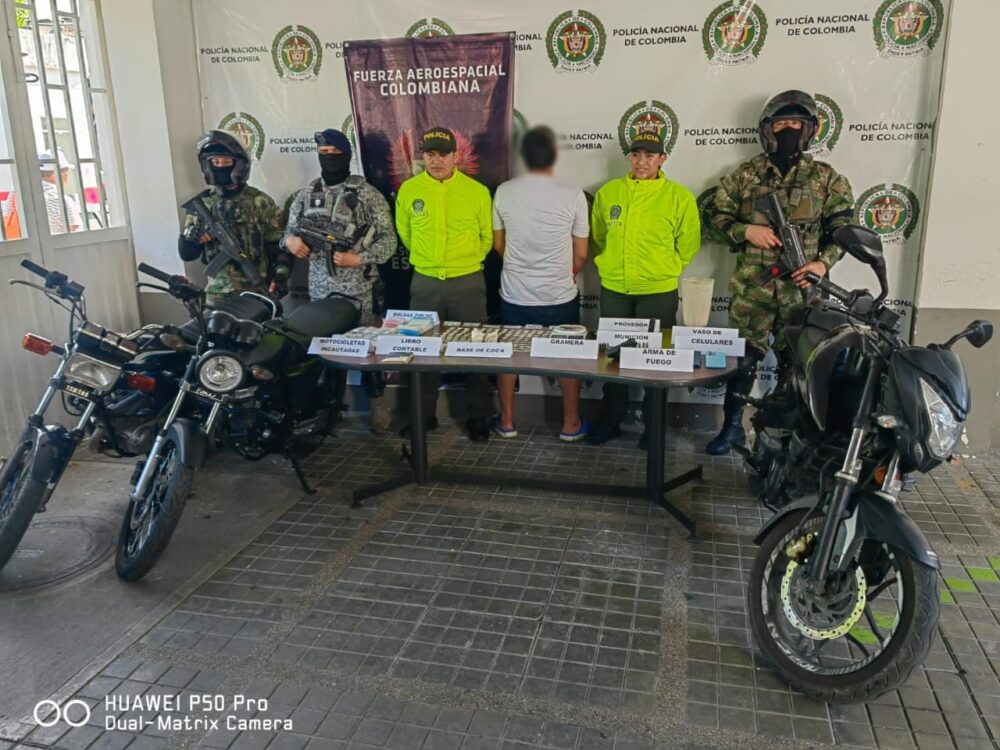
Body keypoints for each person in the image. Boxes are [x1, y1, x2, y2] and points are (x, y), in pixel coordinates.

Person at [705, 90, 854, 455]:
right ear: (768, 129)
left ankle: (786, 438)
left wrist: (822, 263)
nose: (787, 130)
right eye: (781, 123)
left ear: (808, 131)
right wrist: (746, 231)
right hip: (753, 293)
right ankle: (732, 430)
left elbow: (844, 228)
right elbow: (715, 217)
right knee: (742, 365)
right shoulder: (746, 174)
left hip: (801, 294)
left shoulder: (825, 178)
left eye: (795, 124)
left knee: (799, 370)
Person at [586, 129, 702, 447]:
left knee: (656, 361)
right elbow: (599, 237)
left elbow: (688, 245)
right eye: (636, 154)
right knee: (613, 359)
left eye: (649, 155)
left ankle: (654, 429)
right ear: (629, 157)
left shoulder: (679, 197)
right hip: (615, 290)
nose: (641, 161)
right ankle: (610, 422)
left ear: (662, 159)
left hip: (658, 291)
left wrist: (666, 270)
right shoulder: (609, 193)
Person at [283, 128, 396, 431]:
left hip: (360, 291)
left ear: (347, 155)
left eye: (336, 153)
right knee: (324, 355)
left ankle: (378, 408)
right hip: (321, 293)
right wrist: (292, 243)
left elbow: (389, 242)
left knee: (369, 352)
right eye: (324, 153)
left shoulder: (367, 195)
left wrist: (359, 258)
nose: (330, 158)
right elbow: (288, 233)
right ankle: (327, 412)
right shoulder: (306, 196)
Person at [491, 126, 590, 441]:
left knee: (509, 357)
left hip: (514, 294)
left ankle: (507, 422)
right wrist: (560, 273)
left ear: (523, 157)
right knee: (567, 359)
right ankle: (570, 424)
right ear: (555, 155)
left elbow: (497, 245)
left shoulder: (504, 191)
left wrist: (523, 269)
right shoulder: (573, 194)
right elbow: (581, 254)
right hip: (558, 295)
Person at [395, 127, 493, 441]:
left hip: (467, 282)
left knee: (475, 351)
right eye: (430, 154)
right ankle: (424, 418)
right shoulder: (410, 190)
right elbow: (406, 235)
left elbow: (486, 238)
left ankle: (478, 418)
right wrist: (430, 262)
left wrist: (462, 263)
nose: (436, 161)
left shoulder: (476, 191)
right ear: (422, 157)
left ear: (455, 156)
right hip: (424, 282)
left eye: (443, 154)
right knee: (422, 353)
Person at [178, 130, 289, 307]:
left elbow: (280, 246)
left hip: (255, 294)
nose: (220, 166)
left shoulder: (260, 202)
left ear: (239, 165)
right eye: (215, 162)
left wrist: (281, 276)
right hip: (216, 296)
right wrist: (190, 236)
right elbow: (187, 255)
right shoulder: (203, 204)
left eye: (226, 162)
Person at [40, 149, 84, 234]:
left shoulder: (15, 197)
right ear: (58, 173)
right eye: (66, 172)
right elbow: (76, 235)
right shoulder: (61, 200)